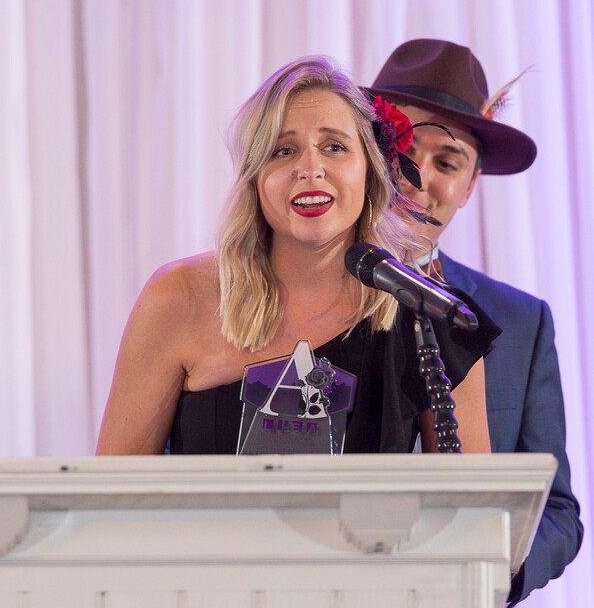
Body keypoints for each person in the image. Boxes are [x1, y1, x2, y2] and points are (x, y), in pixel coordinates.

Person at [96, 56, 497, 457]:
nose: (310, 169)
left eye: (335, 147)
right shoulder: (176, 298)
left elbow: (470, 496)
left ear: (370, 172)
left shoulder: (429, 316)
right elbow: (116, 489)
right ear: (255, 177)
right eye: (283, 150)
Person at [368, 39, 583, 604]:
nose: (417, 178)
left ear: (470, 186)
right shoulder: (296, 291)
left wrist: (494, 572)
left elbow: (558, 510)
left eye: (447, 163)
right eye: (401, 149)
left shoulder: (521, 322)